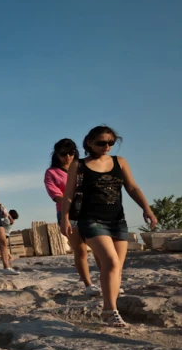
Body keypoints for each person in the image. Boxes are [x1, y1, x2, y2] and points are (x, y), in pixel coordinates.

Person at [61, 125, 157, 328]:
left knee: (115, 268)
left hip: (117, 220)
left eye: (111, 143)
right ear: (89, 142)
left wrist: (146, 209)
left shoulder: (119, 162)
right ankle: (109, 310)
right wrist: (65, 218)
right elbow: (69, 193)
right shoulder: (78, 166)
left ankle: (109, 310)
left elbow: (132, 187)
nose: (106, 146)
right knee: (111, 262)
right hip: (91, 220)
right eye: (101, 143)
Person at [45, 138, 101, 296]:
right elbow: (56, 195)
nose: (68, 157)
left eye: (71, 153)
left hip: (90, 211)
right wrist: (73, 199)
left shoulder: (83, 167)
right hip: (68, 212)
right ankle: (89, 284)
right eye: (63, 154)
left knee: (99, 248)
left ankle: (108, 280)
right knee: (80, 249)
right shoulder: (51, 173)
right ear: (56, 154)